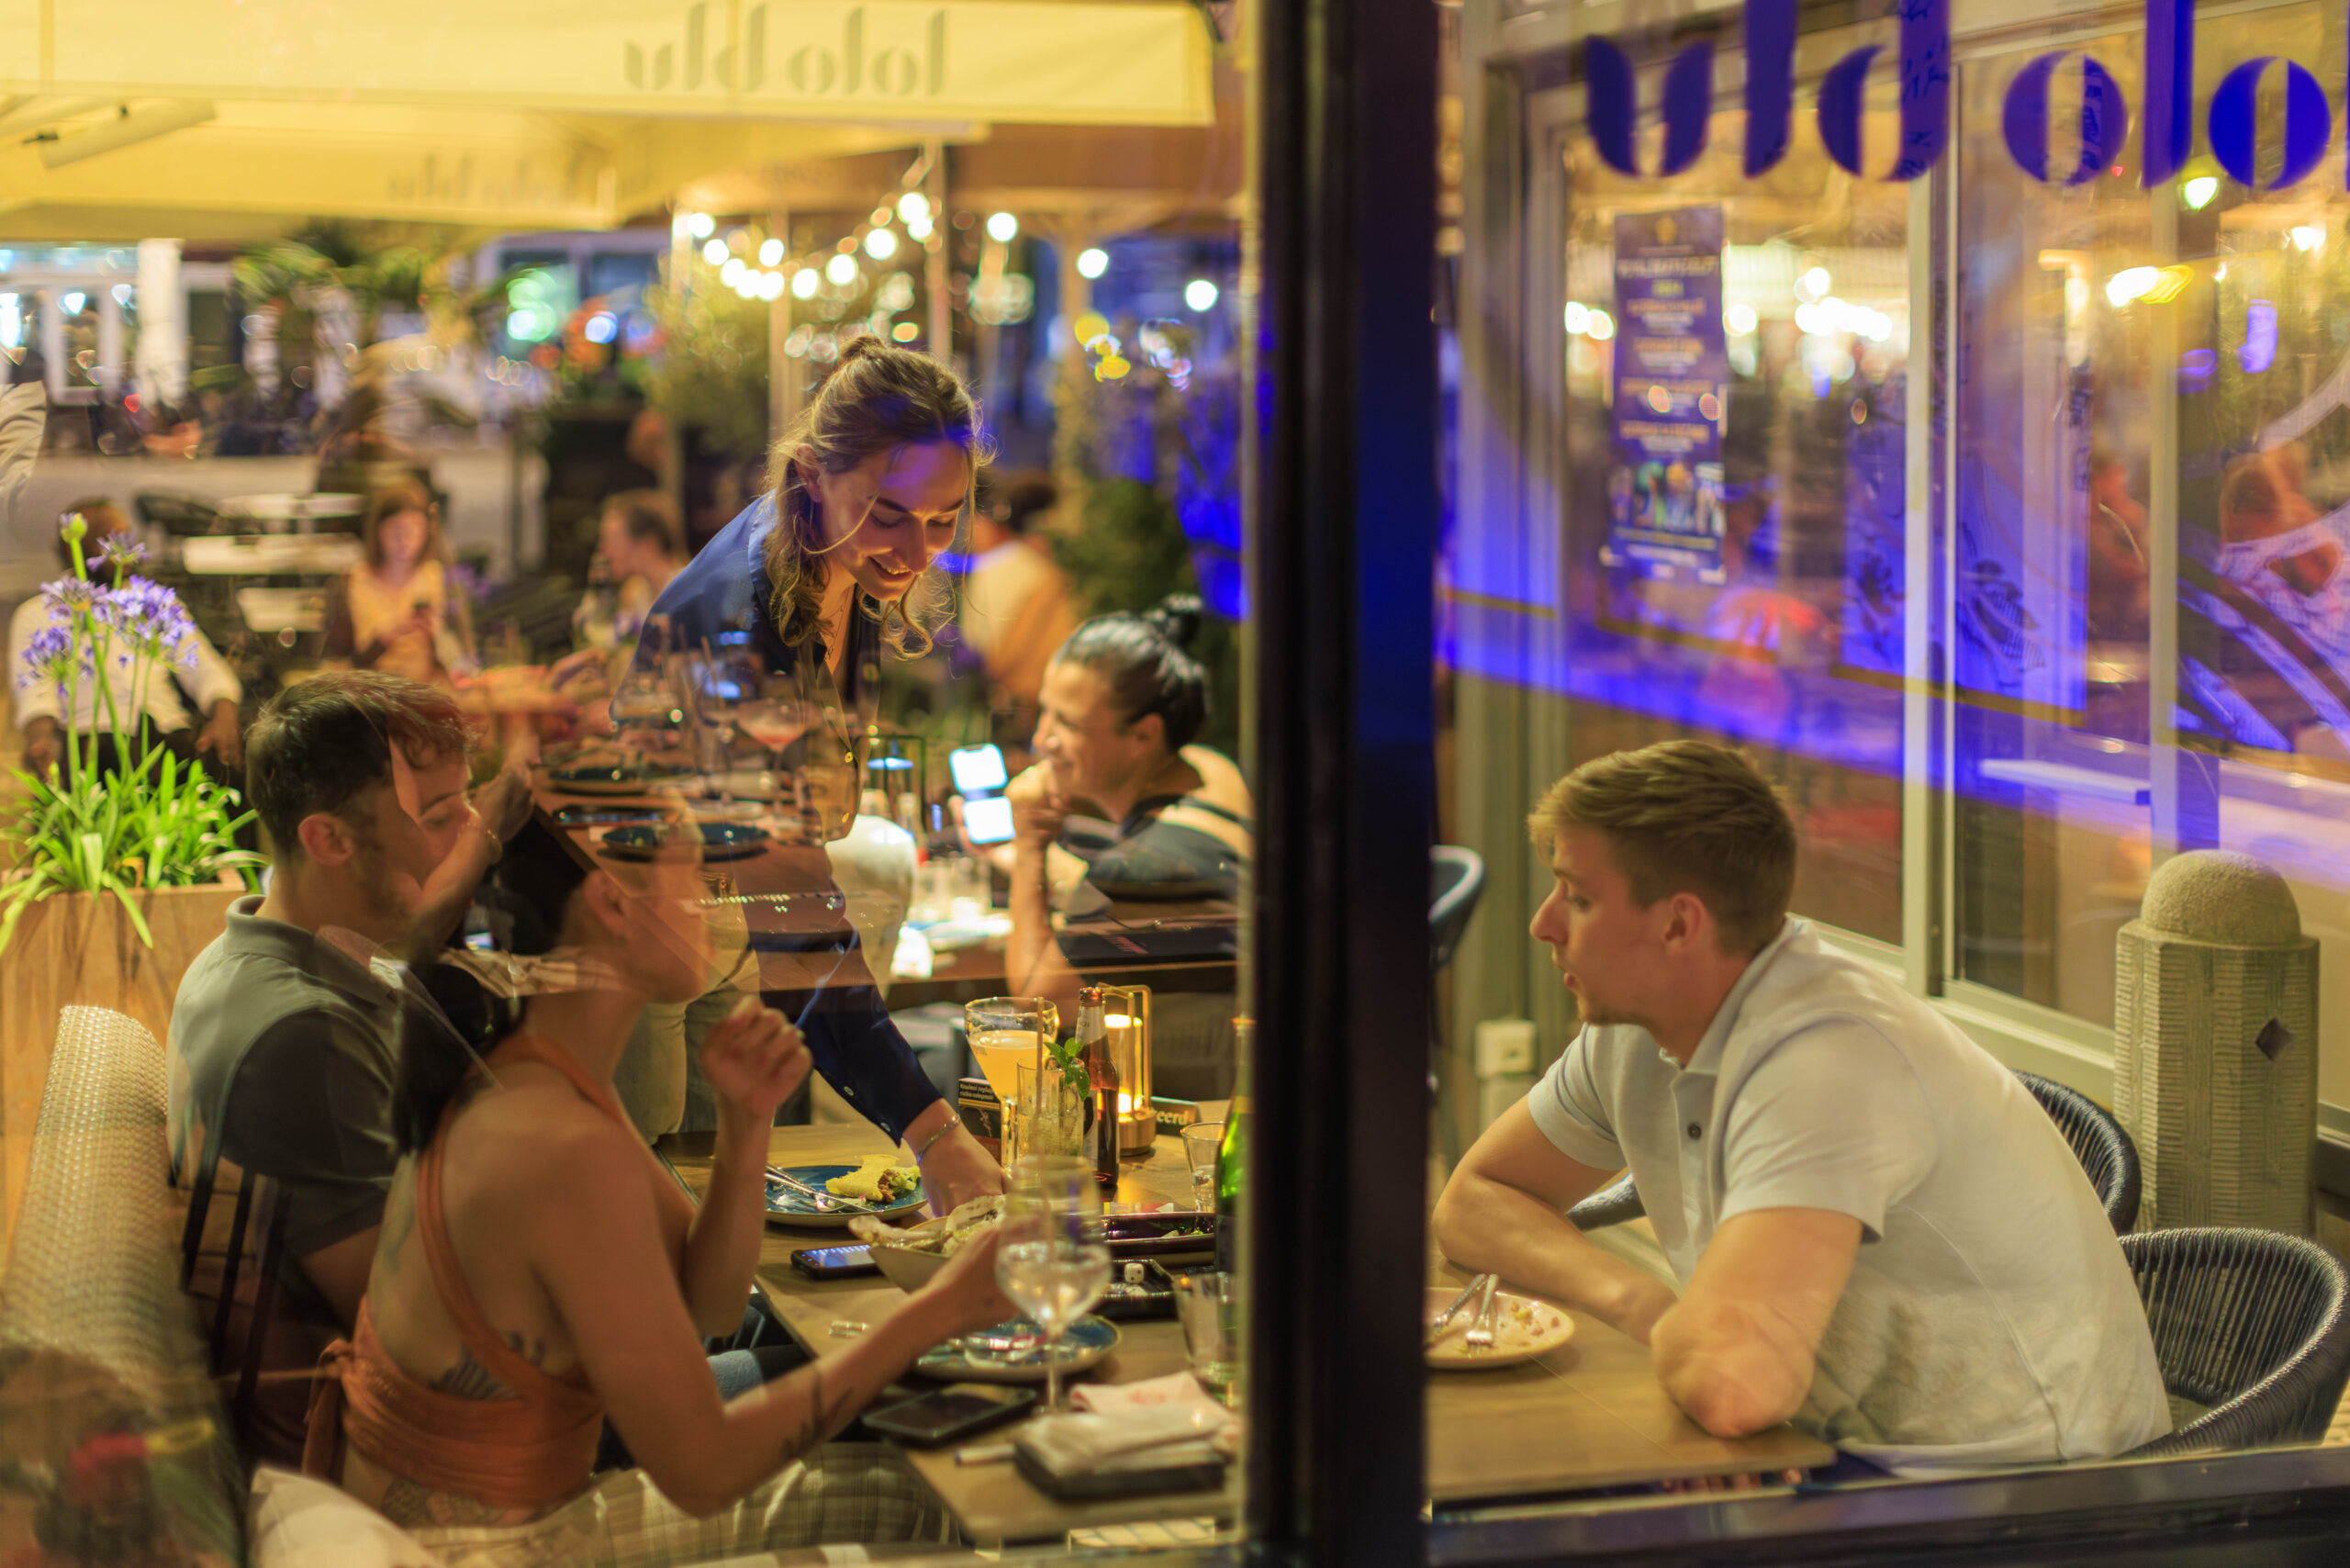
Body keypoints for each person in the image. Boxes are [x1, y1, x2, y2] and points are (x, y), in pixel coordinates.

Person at [1431, 741, 2169, 1476]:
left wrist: (1715, 1355)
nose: (1544, 924)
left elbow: (1732, 1386)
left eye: (1578, 897)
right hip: (1828, 1442)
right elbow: (1476, 1203)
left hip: (2022, 1488)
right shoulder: (1635, 1026)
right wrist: (1641, 1303)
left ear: (1679, 926)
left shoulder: (1826, 1063)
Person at [304, 820, 1003, 1562]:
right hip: (489, 1548)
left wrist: (746, 1124)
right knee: (928, 1480)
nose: (719, 900)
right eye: (698, 876)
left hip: (485, 1520)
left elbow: (711, 1304)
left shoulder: (543, 1070)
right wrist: (942, 1309)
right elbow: (703, 1471)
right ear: (612, 904)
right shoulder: (564, 1144)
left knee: (885, 1396)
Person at [635, 335, 1003, 1212]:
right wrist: (939, 1140)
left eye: (943, 518)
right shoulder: (739, 631)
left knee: (761, 1224)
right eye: (889, 514)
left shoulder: (842, 559)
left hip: (734, 918)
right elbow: (798, 925)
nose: (917, 552)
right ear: (810, 474)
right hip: (646, 943)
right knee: (679, 1237)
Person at [168, 672, 524, 1466]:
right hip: (444, 1459)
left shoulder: (288, 958)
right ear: (329, 838)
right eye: (439, 816)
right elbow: (423, 1344)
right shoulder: (303, 1038)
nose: (476, 835)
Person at [998, 596, 1251, 1099]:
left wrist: (1029, 846)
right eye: (1044, 711)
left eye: (1067, 725)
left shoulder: (1137, 870)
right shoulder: (1212, 769)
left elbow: (1033, 1010)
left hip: (1182, 1106)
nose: (1041, 739)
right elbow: (1154, 909)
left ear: (1143, 735)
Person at [10, 498, 244, 782]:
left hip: (167, 732)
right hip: (90, 740)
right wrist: (42, 742)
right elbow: (36, 696)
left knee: (227, 770)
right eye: (107, 538)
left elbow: (207, 670)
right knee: (109, 752)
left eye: (124, 536)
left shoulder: (154, 603)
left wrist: (224, 717)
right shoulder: (39, 613)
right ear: (68, 548)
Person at [326, 479, 477, 688]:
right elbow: (340, 661)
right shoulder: (353, 581)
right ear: (378, 531)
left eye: (415, 530)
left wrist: (434, 636)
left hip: (425, 692)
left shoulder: (434, 575)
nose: (405, 540)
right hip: (372, 695)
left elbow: (460, 652)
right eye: (397, 531)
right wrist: (390, 636)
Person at [957, 467, 1075, 711]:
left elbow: (977, 644)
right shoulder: (1044, 575)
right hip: (1031, 697)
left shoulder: (990, 567)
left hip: (993, 693)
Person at [574, 489, 688, 652]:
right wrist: (597, 593)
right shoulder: (636, 593)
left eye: (612, 538)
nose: (603, 549)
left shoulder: (687, 591)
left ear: (648, 543)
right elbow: (595, 639)